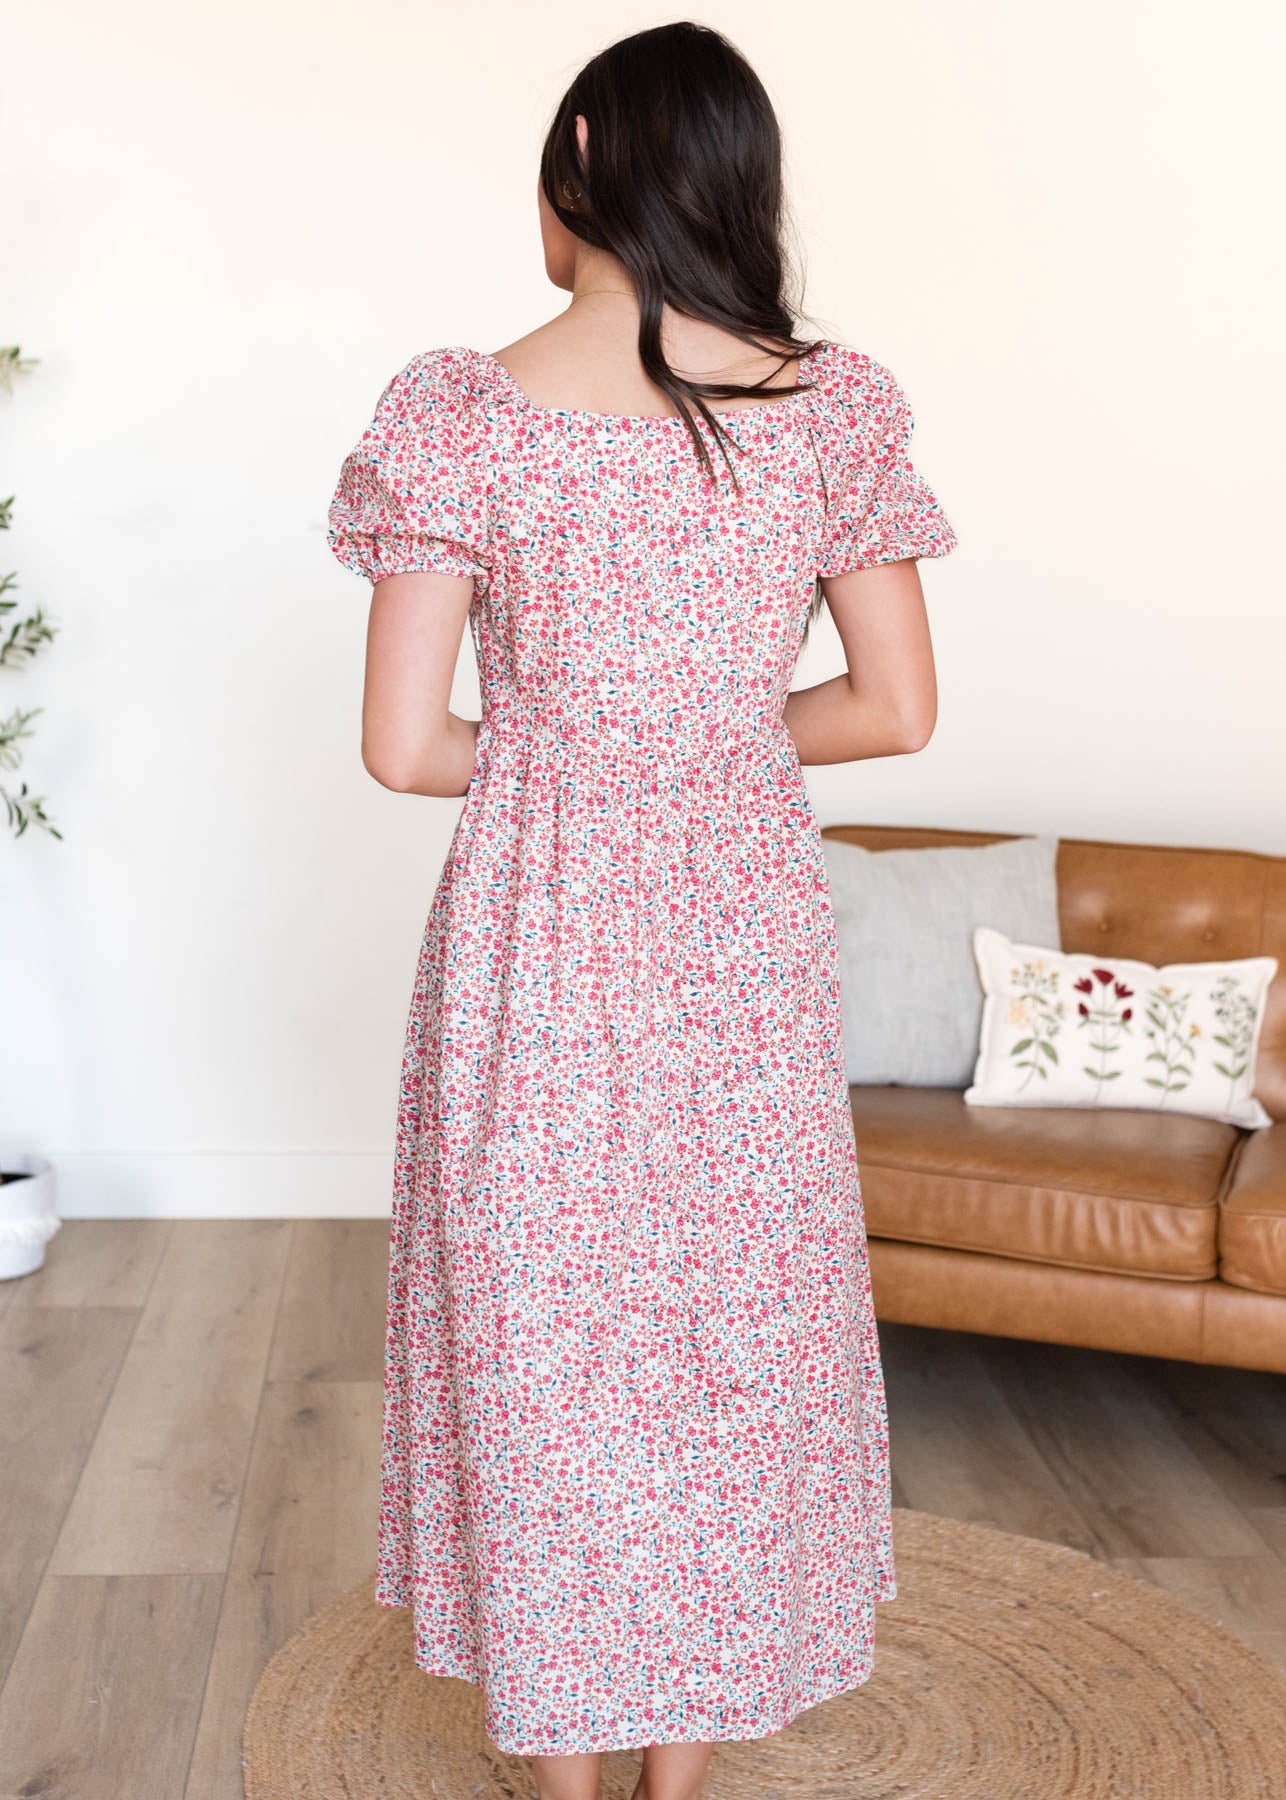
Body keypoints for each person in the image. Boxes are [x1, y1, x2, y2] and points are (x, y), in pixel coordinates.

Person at [327, 20, 957, 1800]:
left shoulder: (459, 408)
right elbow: (892, 709)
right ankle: (683, 1780)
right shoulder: (832, 405)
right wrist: (698, 747)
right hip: (740, 929)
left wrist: (573, 757)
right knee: (727, 1338)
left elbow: (401, 747)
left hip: (538, 931)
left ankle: (565, 1771)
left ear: (584, 147)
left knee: (546, 1342)